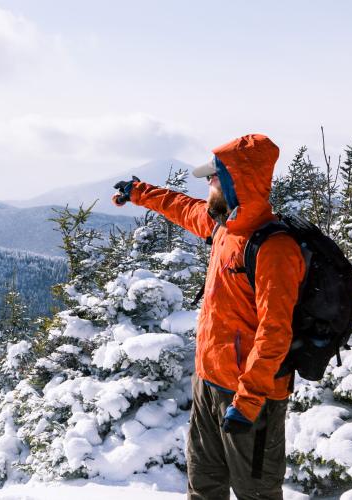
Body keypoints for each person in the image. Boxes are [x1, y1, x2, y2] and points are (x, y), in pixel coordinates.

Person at [112, 134, 305, 500]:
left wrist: (247, 400)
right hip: (210, 381)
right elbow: (183, 207)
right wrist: (139, 192)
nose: (207, 184)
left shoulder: (273, 248)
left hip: (254, 394)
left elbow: (275, 333)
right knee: (204, 487)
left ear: (237, 182)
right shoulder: (223, 227)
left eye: (214, 178)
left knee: (257, 493)